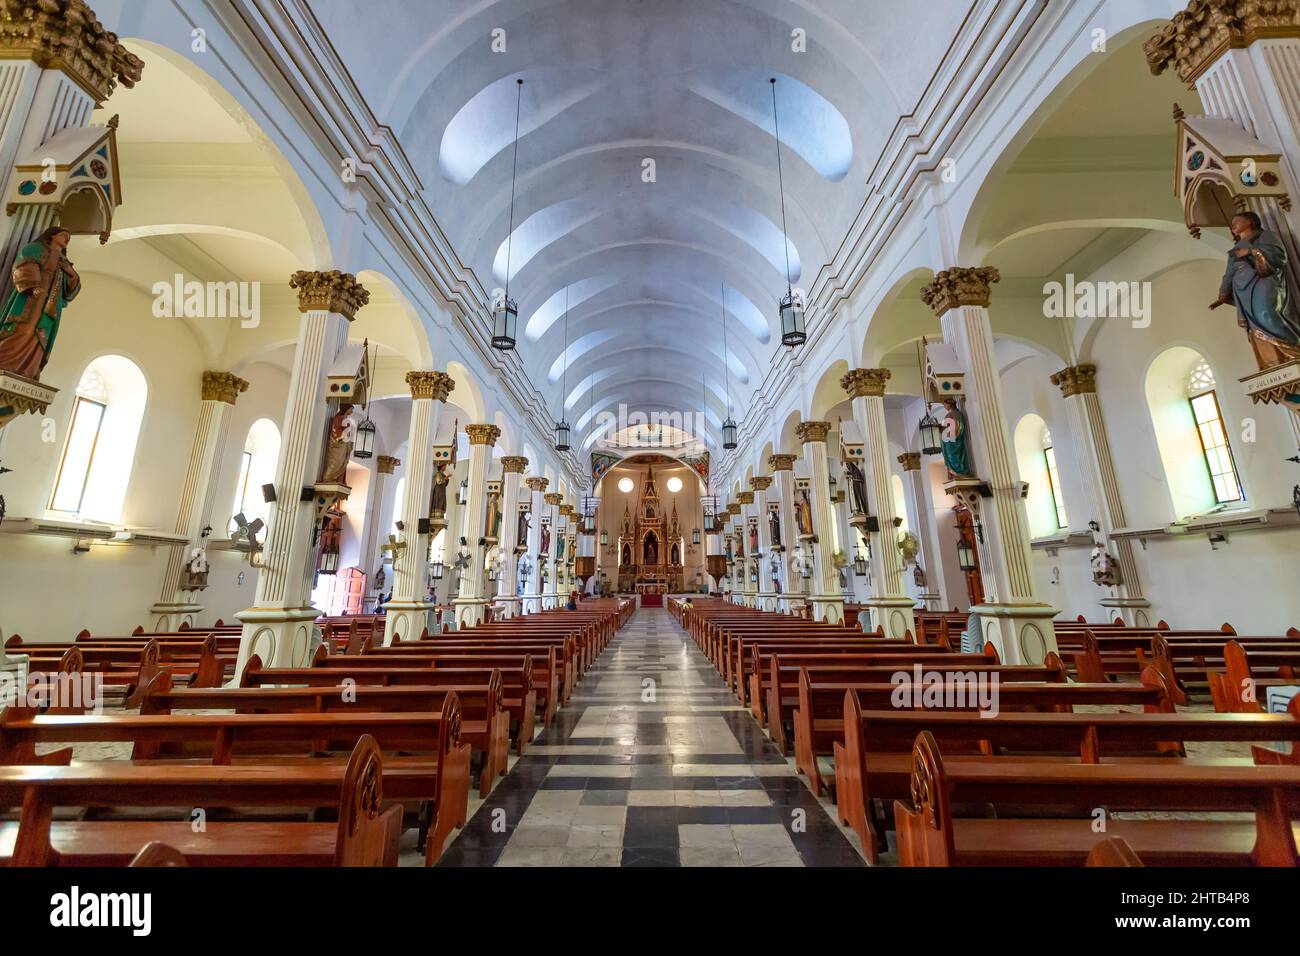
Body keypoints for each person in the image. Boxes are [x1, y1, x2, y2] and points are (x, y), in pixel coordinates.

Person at [1211, 211, 1300, 379]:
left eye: (1237, 220)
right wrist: (1223, 293)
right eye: (1232, 223)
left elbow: (1279, 256)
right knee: (1254, 327)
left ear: (1250, 221)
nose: (1233, 224)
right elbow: (1229, 274)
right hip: (1243, 292)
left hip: (1264, 283)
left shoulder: (1265, 236)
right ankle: (1271, 362)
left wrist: (1252, 251)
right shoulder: (1234, 251)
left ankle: (1292, 354)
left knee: (1268, 314)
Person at [0, 225, 80, 382]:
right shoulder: (35, 248)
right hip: (32, 296)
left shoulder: (65, 262)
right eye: (64, 235)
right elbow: (23, 262)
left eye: (68, 239)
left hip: (51, 302)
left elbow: (72, 289)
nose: (66, 240)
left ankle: (29, 371)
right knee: (24, 329)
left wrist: (70, 273)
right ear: (52, 235)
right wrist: (33, 285)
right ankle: (5, 363)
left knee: (41, 334)